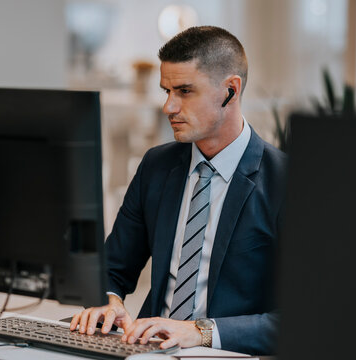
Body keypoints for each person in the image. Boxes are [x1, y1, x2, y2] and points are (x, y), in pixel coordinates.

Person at [69, 25, 287, 355]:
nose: (168, 107)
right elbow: (112, 267)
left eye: (184, 91)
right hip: (148, 350)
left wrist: (199, 332)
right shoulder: (157, 166)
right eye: (166, 91)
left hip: (230, 354)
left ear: (230, 90)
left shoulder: (285, 181)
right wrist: (110, 301)